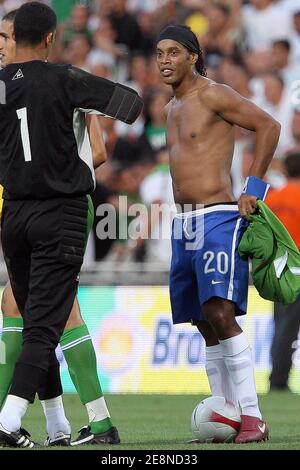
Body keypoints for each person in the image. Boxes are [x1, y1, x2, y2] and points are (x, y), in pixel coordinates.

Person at [0, 2, 142, 448]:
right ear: (50, 38)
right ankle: (31, 420)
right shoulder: (66, 80)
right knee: (43, 319)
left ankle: (59, 422)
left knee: (34, 315)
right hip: (60, 209)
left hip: (15, 211)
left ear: (14, 37)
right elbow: (131, 105)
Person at [156, 24, 280, 444]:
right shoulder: (171, 108)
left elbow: (269, 126)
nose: (164, 60)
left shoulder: (214, 94)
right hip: (183, 223)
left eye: (173, 52)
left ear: (193, 56)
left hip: (218, 217)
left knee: (221, 313)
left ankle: (252, 416)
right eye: (159, 53)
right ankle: (224, 416)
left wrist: (254, 189)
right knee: (202, 321)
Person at [266, 152, 300, 391]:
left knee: (283, 328)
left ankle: (277, 379)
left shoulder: (274, 199)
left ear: (286, 170)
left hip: (281, 269)